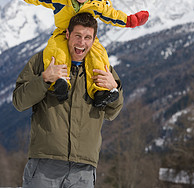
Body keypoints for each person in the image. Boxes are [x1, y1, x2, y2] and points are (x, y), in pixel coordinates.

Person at [6, 0, 149, 107]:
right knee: (56, 52)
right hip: (62, 33)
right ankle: (60, 82)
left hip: (88, 37)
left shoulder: (97, 4)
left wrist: (131, 21)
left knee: (99, 56)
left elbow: (113, 15)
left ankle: (100, 91)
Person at [13, 12, 124, 188]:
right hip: (45, 164)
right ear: (67, 35)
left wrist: (114, 89)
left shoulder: (102, 67)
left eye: (88, 37)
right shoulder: (43, 61)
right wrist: (44, 80)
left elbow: (112, 112)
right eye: (77, 36)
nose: (82, 42)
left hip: (84, 169)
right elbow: (19, 101)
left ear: (94, 40)